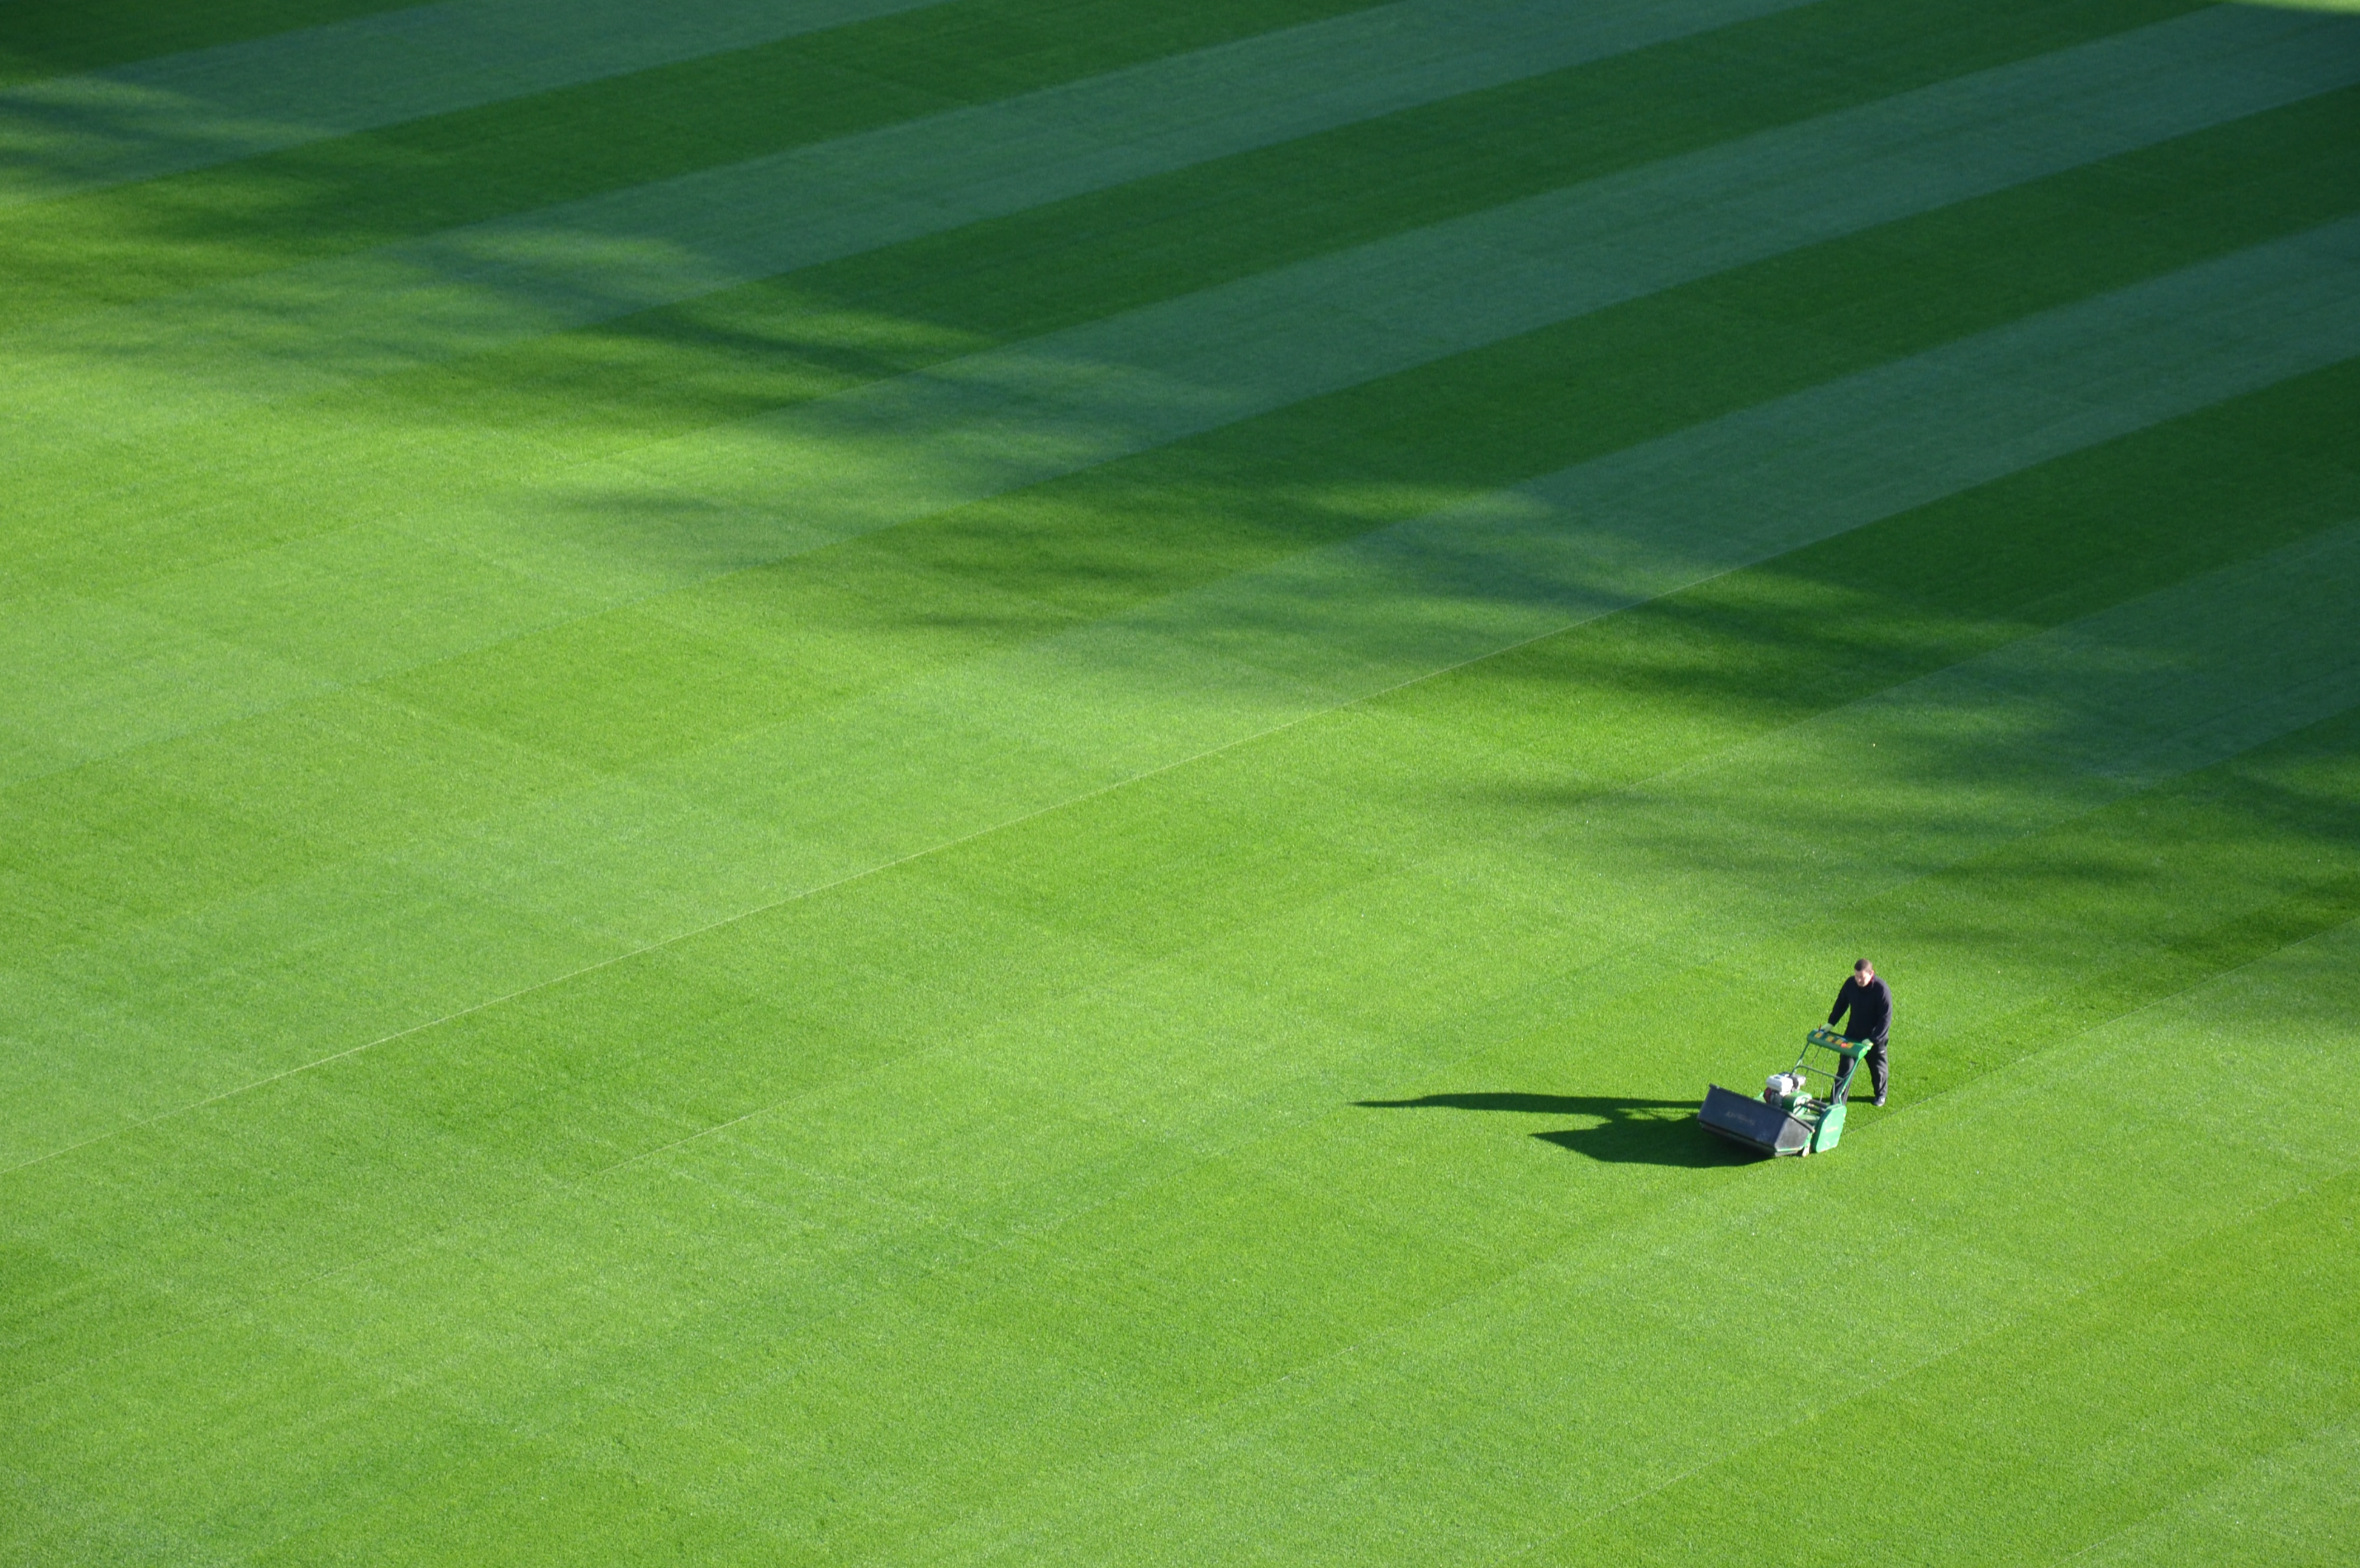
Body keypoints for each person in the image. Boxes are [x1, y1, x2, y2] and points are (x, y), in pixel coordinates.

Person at [1828, 959, 1891, 1107]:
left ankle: (1880, 1094)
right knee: (1845, 1069)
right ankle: (1836, 1103)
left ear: (1871, 974)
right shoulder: (1850, 984)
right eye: (1856, 976)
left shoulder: (1881, 990)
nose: (1858, 980)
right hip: (1854, 1034)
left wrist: (1873, 1039)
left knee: (1878, 1069)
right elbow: (1841, 1002)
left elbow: (1886, 1018)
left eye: (1862, 977)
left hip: (1875, 1038)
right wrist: (1831, 1022)